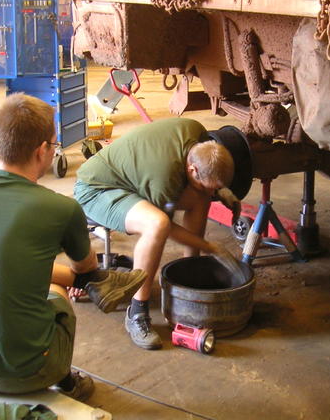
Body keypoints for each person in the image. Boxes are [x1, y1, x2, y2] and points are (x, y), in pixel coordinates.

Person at [0, 93, 147, 402]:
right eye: (54, 144)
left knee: (13, 268)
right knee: (59, 294)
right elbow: (84, 268)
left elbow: (11, 264)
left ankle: (101, 286)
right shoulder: (61, 208)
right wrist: (89, 278)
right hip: (28, 375)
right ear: (42, 151)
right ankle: (62, 377)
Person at [74, 117, 241, 350]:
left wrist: (221, 191)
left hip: (134, 177)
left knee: (201, 196)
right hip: (98, 189)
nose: (213, 191)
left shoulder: (198, 134)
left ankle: (190, 271)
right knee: (157, 224)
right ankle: (137, 311)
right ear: (191, 169)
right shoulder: (164, 177)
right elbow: (168, 229)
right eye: (211, 185)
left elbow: (206, 175)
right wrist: (210, 246)